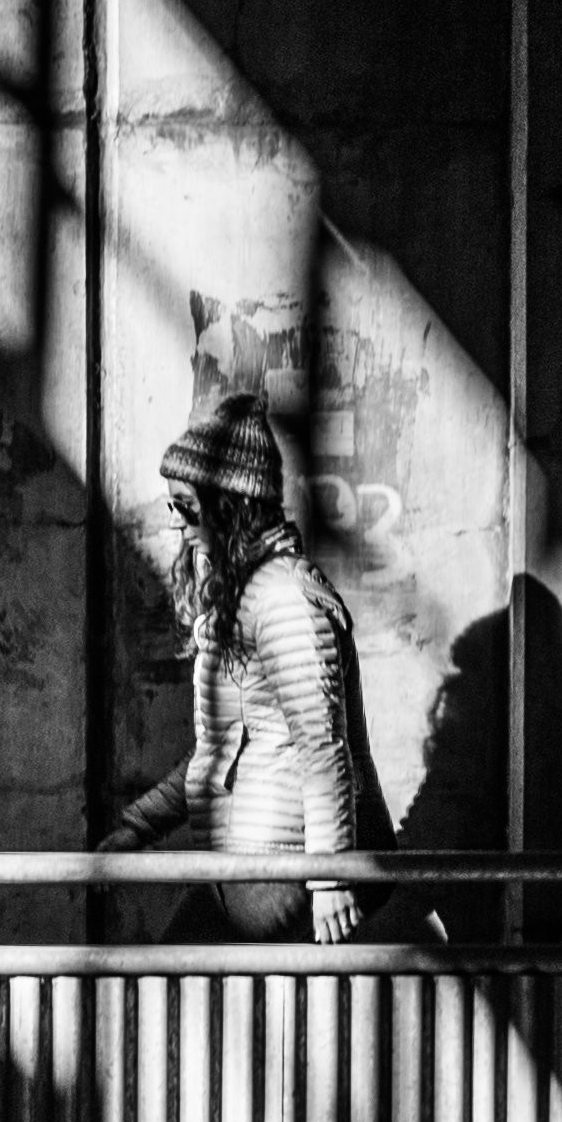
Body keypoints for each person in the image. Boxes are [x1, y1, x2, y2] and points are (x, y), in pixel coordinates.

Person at [97, 393, 392, 942]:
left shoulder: (284, 599)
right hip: (248, 860)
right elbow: (220, 751)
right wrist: (141, 826)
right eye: (174, 508)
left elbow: (322, 744)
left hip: (286, 864)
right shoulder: (244, 598)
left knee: (175, 994)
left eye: (187, 507)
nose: (179, 524)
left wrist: (329, 878)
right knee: (182, 998)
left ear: (229, 504)